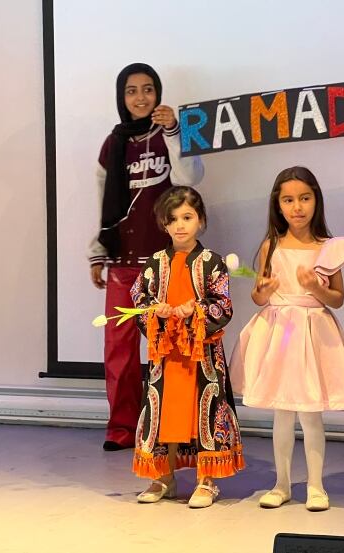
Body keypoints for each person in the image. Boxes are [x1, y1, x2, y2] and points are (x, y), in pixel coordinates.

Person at [88, 63, 203, 451]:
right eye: (131, 91)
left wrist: (174, 131)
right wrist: (97, 253)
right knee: (118, 351)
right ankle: (121, 428)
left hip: (167, 261)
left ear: (158, 93)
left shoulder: (174, 131)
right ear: (122, 98)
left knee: (172, 347)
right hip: (122, 261)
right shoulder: (112, 143)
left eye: (148, 89)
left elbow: (191, 177)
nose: (140, 98)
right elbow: (103, 203)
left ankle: (171, 427)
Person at [229, 167, 344, 512]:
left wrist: (317, 287)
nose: (297, 207)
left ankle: (316, 485)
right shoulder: (271, 245)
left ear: (316, 200)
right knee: (283, 411)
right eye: (289, 200)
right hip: (281, 333)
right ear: (278, 204)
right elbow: (259, 295)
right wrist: (265, 291)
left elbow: (338, 299)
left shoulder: (327, 248)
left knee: (311, 412)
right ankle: (282, 483)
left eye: (304, 198)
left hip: (313, 332)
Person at [130, 186, 244, 508]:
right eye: (173, 219)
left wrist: (195, 311)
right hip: (166, 354)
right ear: (164, 225)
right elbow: (139, 300)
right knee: (165, 412)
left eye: (187, 217)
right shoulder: (154, 263)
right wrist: (157, 310)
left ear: (200, 220)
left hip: (201, 355)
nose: (180, 225)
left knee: (202, 412)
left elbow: (222, 304)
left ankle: (206, 481)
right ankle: (163, 477)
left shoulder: (213, 263)